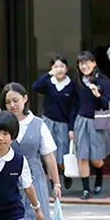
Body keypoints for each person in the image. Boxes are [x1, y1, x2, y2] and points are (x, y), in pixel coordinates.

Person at [2, 83, 61, 220]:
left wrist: (56, 182)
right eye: (8, 102)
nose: (12, 105)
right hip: (9, 179)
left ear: (25, 99)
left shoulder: (38, 124)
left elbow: (49, 155)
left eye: (15, 100)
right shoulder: (2, 124)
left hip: (35, 177)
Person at [72, 51, 110, 199]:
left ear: (94, 63)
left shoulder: (103, 81)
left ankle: (99, 174)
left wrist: (98, 95)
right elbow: (73, 105)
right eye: (81, 63)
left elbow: (109, 103)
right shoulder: (78, 82)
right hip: (81, 120)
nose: (83, 66)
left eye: (86, 63)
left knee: (96, 158)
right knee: (82, 156)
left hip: (99, 121)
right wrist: (71, 127)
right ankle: (86, 189)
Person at [32, 56, 79, 190]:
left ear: (66, 68)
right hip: (48, 121)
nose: (59, 69)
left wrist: (71, 128)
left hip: (63, 123)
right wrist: (48, 75)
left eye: (62, 66)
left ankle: (65, 174)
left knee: (63, 153)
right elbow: (36, 86)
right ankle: (53, 181)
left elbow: (73, 109)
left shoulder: (71, 86)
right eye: (56, 66)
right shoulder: (48, 83)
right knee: (49, 151)